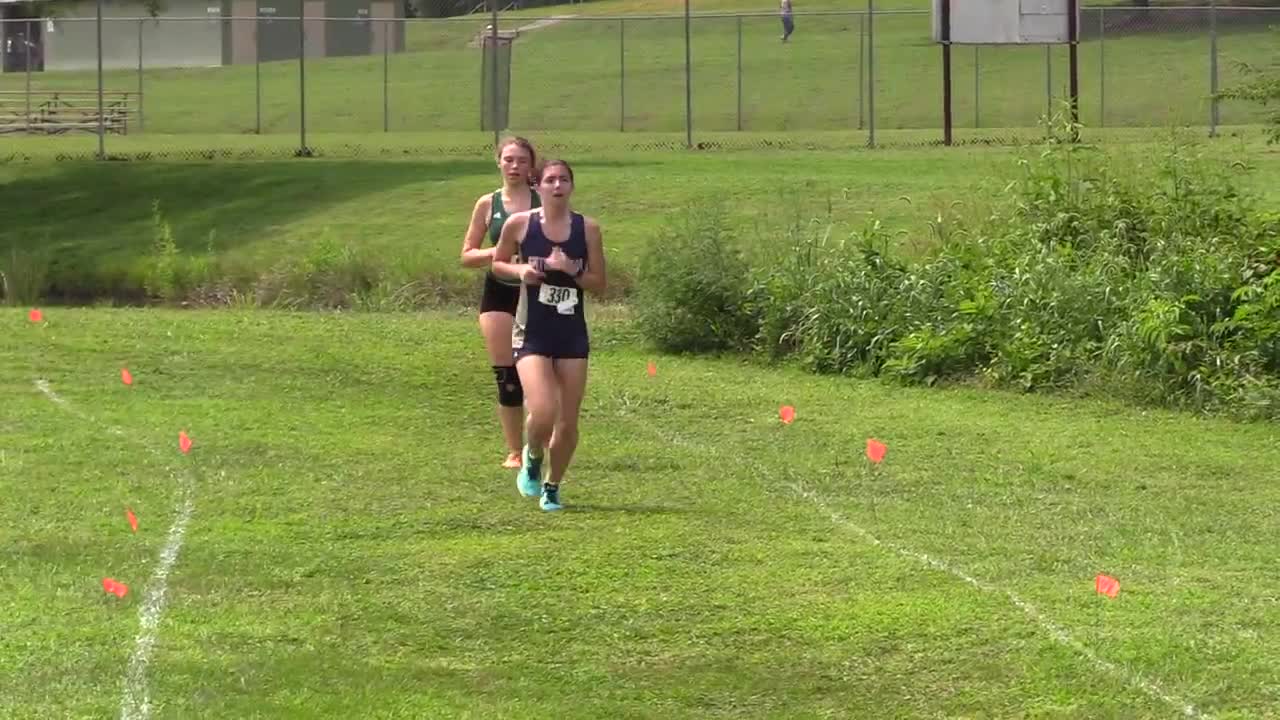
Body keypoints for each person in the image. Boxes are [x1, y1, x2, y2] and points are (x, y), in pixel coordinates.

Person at [490, 159, 606, 511]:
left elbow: (598, 284)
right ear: (537, 186)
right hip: (532, 331)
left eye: (564, 180)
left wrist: (572, 271)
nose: (557, 186)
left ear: (572, 186)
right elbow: (498, 263)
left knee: (568, 421)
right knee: (542, 409)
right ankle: (533, 456)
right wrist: (522, 269)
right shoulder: (520, 225)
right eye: (550, 180)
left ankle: (553, 487)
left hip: (571, 334)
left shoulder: (588, 229)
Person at [459, 136, 542, 469]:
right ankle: (514, 451)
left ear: (531, 165)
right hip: (498, 293)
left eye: (522, 160)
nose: (515, 166)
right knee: (507, 376)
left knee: (538, 373)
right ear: (498, 162)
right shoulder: (487, 204)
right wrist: (498, 252)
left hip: (537, 294)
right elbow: (466, 255)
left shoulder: (544, 199)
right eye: (509, 160)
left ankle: (539, 441)